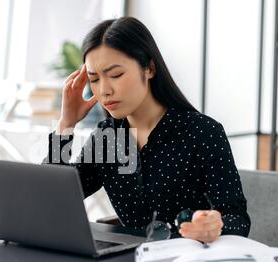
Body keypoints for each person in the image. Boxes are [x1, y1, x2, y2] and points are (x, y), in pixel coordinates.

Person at [44, 17, 250, 243]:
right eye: (94, 79)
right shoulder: (108, 139)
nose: (104, 90)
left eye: (115, 75)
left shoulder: (203, 132)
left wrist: (214, 226)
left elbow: (237, 219)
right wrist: (66, 126)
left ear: (149, 68)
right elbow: (52, 200)